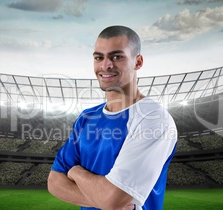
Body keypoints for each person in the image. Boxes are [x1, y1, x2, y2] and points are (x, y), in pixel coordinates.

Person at [47, 25, 178, 210]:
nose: (105, 65)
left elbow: (112, 198)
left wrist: (75, 172)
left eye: (117, 57)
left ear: (138, 62)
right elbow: (54, 182)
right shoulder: (86, 118)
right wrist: (105, 199)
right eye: (99, 57)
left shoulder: (153, 119)